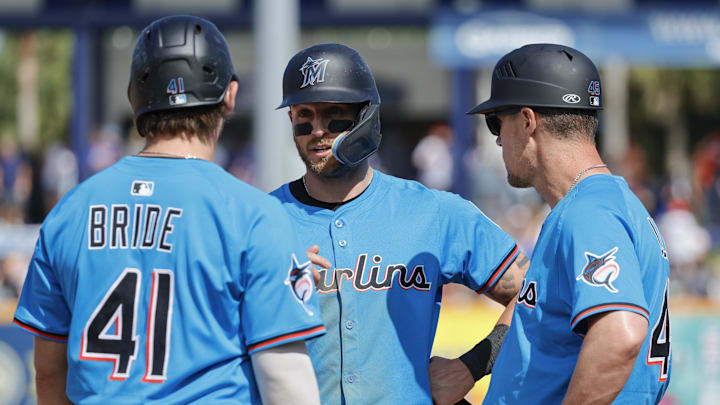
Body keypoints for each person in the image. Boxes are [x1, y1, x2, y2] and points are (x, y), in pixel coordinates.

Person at [13, 15, 325, 404]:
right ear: (229, 95)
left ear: (134, 97)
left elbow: (47, 371)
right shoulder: (253, 214)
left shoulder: (70, 211)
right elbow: (284, 379)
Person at [270, 43, 530, 405]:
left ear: (366, 119)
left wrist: (470, 367)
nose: (317, 129)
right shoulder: (260, 221)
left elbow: (536, 293)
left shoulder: (434, 211)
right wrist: (270, 291)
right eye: (304, 115)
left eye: (333, 115)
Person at [464, 43, 671, 404]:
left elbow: (620, 333)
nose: (497, 137)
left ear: (528, 120)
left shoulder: (588, 211)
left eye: (497, 120)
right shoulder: (601, 203)